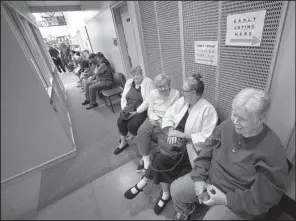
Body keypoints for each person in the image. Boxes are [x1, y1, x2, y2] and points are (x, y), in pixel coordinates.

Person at [170, 87, 289, 220]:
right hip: (209, 177)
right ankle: (185, 212)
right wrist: (198, 178)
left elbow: (264, 197)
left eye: (242, 119)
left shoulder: (273, 150)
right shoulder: (227, 125)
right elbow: (206, 151)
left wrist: (226, 200)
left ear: (260, 119)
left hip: (236, 196)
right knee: (176, 189)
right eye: (233, 114)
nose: (234, 121)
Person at [123, 74, 218, 215]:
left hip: (190, 147)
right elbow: (168, 115)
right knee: (158, 150)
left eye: (184, 90)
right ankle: (164, 194)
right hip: (174, 140)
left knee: (160, 158)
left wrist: (182, 135)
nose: (181, 92)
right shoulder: (183, 102)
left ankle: (145, 182)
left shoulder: (207, 110)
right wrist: (171, 131)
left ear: (193, 92)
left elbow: (207, 137)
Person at [130, 74, 180, 173]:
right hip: (155, 118)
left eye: (164, 85)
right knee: (142, 130)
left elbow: (177, 113)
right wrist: (156, 119)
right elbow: (151, 109)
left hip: (168, 121)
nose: (162, 89)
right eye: (159, 86)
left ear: (169, 84)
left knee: (167, 139)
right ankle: (146, 162)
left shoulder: (176, 94)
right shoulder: (153, 93)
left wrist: (165, 123)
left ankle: (148, 160)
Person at [114, 65, 154, 155]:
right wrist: (124, 108)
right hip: (129, 107)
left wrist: (136, 112)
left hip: (141, 110)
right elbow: (123, 97)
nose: (136, 77)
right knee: (120, 121)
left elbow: (148, 101)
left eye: (138, 74)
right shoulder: (129, 82)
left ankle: (137, 139)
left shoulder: (148, 82)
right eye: (133, 75)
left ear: (142, 74)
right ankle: (124, 142)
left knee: (133, 124)